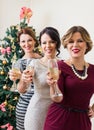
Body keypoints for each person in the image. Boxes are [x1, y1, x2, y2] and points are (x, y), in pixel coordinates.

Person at [44, 26, 94, 130]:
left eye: (80, 41)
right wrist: (53, 85)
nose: (75, 45)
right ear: (66, 45)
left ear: (87, 45)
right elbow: (57, 98)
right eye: (71, 41)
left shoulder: (93, 69)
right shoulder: (60, 66)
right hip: (58, 121)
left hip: (82, 122)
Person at [24, 27, 61, 130]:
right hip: (36, 113)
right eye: (44, 43)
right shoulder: (34, 63)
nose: (48, 46)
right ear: (40, 45)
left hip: (57, 114)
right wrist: (24, 78)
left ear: (57, 43)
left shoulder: (63, 65)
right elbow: (23, 88)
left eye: (51, 42)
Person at [9, 27, 41, 130]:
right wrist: (17, 77)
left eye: (29, 40)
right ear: (19, 43)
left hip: (41, 106)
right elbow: (20, 89)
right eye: (23, 41)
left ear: (35, 41)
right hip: (24, 107)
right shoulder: (19, 63)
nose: (26, 44)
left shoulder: (43, 59)